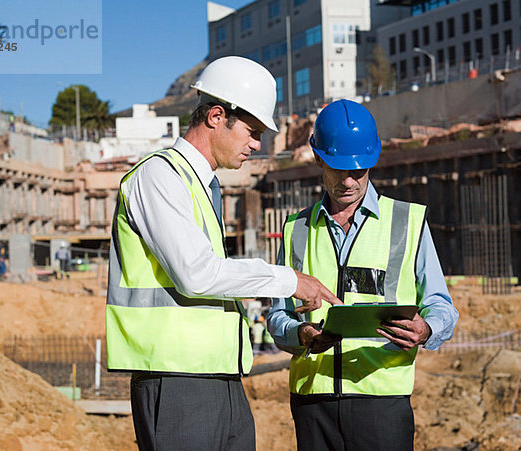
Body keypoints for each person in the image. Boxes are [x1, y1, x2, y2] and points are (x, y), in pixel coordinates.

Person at [105, 56, 341, 451]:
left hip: (219, 375)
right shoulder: (160, 176)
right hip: (177, 379)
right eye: (252, 131)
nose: (257, 144)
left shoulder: (201, 185)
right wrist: (288, 280)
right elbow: (197, 275)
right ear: (216, 116)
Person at [267, 99, 459, 451]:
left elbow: (440, 304)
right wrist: (301, 333)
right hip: (314, 403)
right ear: (317, 157)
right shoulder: (296, 229)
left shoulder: (407, 222)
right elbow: (277, 315)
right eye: (339, 170)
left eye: (360, 170)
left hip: (382, 400)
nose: (350, 181)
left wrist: (427, 329)